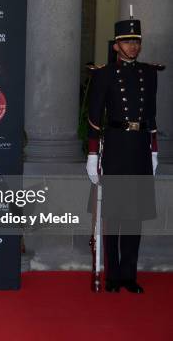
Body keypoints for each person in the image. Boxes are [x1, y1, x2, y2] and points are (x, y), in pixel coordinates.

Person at [86, 15, 163, 294]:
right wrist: (93, 154)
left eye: (136, 42)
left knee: (135, 214)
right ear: (116, 45)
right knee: (115, 214)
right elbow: (94, 118)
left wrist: (153, 151)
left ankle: (129, 275)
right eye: (127, 42)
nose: (133, 47)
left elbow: (152, 116)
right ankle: (113, 276)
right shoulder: (104, 74)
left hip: (140, 147)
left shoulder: (149, 74)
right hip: (116, 146)